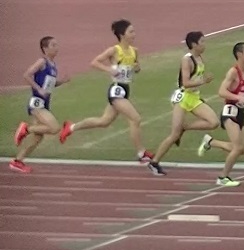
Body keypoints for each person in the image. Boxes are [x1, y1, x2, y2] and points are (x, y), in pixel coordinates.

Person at [60, 20, 148, 162]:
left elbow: (136, 68)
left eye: (134, 31)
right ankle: (141, 153)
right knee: (135, 118)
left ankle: (71, 127)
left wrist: (137, 68)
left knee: (104, 121)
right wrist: (109, 70)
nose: (134, 34)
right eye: (131, 32)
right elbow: (94, 62)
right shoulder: (114, 50)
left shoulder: (134, 51)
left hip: (126, 89)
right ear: (122, 34)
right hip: (116, 90)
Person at [147, 32, 222, 177]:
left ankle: (185, 127)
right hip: (183, 97)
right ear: (194, 44)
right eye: (202, 42)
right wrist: (203, 81)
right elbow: (186, 83)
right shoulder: (187, 60)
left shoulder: (200, 58)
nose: (204, 45)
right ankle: (154, 162)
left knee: (214, 122)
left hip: (194, 97)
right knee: (174, 135)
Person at [198, 42, 244, 187]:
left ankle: (210, 142)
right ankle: (223, 177)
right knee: (237, 148)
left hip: (241, 112)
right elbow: (221, 91)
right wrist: (238, 98)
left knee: (242, 149)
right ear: (239, 54)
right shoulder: (233, 72)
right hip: (230, 112)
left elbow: (243, 91)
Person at [12, 37, 70, 173]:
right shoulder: (42, 62)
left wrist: (62, 82)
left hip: (44, 104)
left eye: (57, 45)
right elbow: (27, 75)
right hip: (37, 103)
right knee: (54, 128)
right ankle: (26, 129)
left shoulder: (53, 65)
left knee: (38, 137)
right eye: (53, 45)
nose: (56, 48)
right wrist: (38, 89)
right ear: (45, 48)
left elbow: (50, 84)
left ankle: (17, 161)